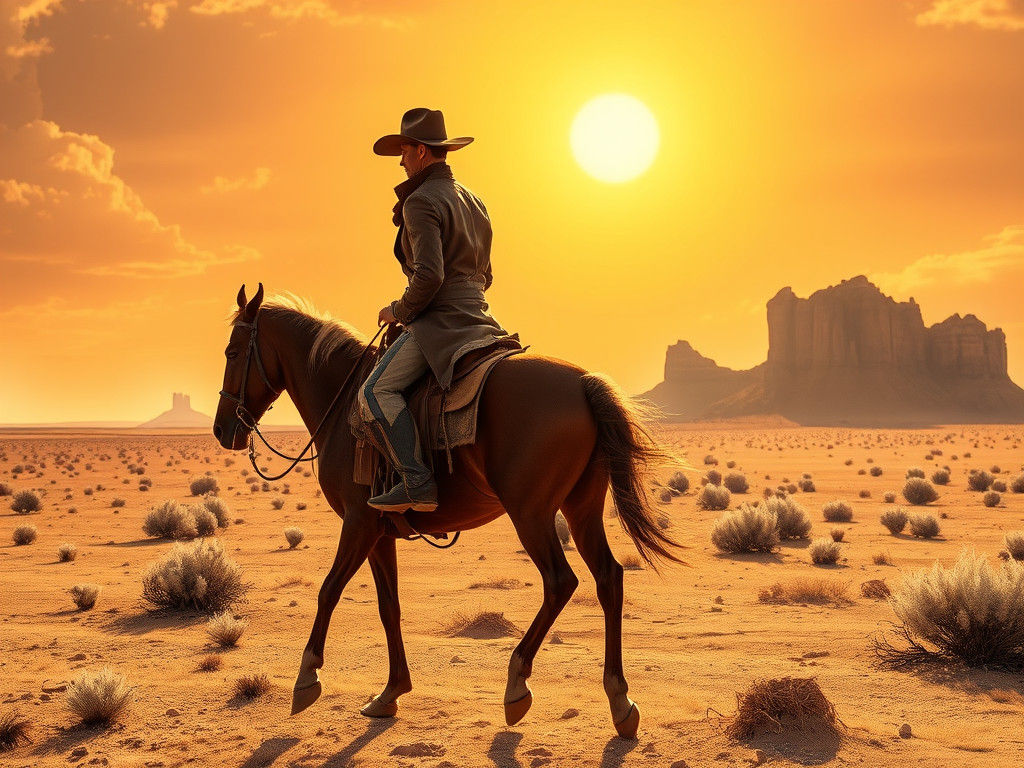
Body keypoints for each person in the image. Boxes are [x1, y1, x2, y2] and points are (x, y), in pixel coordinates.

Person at [358, 107, 517, 513]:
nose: (401, 160)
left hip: (440, 323)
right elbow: (487, 275)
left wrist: (400, 309)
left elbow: (428, 276)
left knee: (375, 391)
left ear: (423, 153)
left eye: (405, 151)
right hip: (481, 318)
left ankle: (416, 481)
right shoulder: (474, 201)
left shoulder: (422, 202)